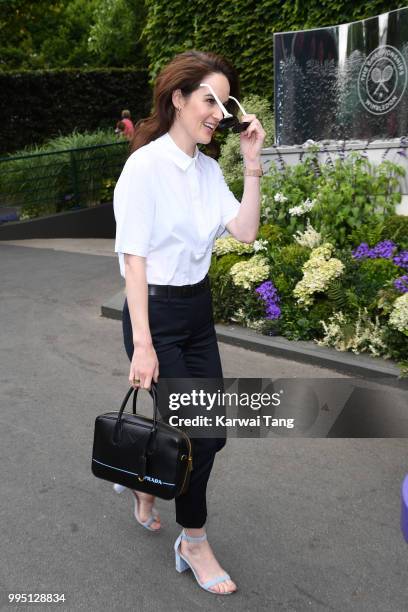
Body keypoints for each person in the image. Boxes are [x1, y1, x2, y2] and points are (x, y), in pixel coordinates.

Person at [113, 49, 265, 595]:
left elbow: (244, 232)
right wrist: (143, 345)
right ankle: (193, 540)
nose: (219, 113)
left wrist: (251, 163)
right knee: (204, 432)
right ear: (178, 99)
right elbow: (134, 259)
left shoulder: (205, 172)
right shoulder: (144, 167)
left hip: (197, 314)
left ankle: (146, 478)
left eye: (225, 104)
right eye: (209, 100)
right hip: (154, 314)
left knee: (209, 432)